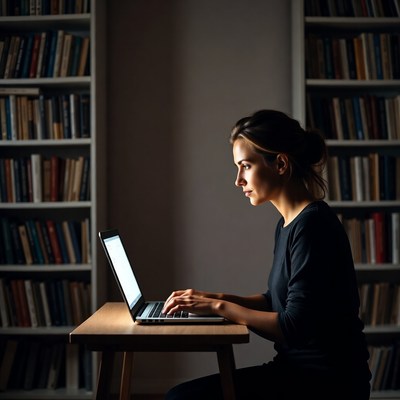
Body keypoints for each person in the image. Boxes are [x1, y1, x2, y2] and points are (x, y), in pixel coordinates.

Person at [162, 109, 371, 400]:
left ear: (281, 163)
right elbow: (276, 301)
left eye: (245, 166)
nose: (238, 180)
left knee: (180, 398)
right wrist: (214, 298)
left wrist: (217, 309)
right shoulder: (289, 223)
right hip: (296, 371)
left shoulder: (313, 226)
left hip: (324, 383)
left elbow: (291, 326)